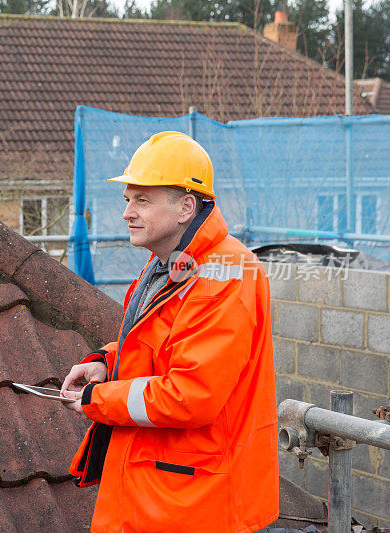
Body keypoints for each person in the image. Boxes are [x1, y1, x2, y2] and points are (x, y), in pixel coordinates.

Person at [61, 131, 279, 532]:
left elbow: (191, 395)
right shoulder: (174, 262)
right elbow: (159, 345)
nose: (127, 212)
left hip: (194, 502)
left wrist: (99, 397)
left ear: (185, 207)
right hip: (166, 490)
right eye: (127, 199)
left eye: (142, 200)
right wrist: (105, 364)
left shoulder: (223, 275)